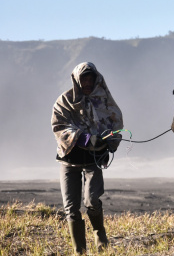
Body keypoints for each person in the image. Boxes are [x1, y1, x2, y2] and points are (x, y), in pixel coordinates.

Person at [51, 62, 123, 254]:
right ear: (76, 79)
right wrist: (85, 138)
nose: (88, 82)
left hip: (93, 160)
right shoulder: (64, 101)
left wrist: (108, 142)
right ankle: (79, 251)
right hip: (68, 160)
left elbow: (115, 122)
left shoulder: (104, 100)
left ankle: (100, 236)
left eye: (91, 78)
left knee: (91, 200)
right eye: (84, 78)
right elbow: (59, 127)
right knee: (71, 208)